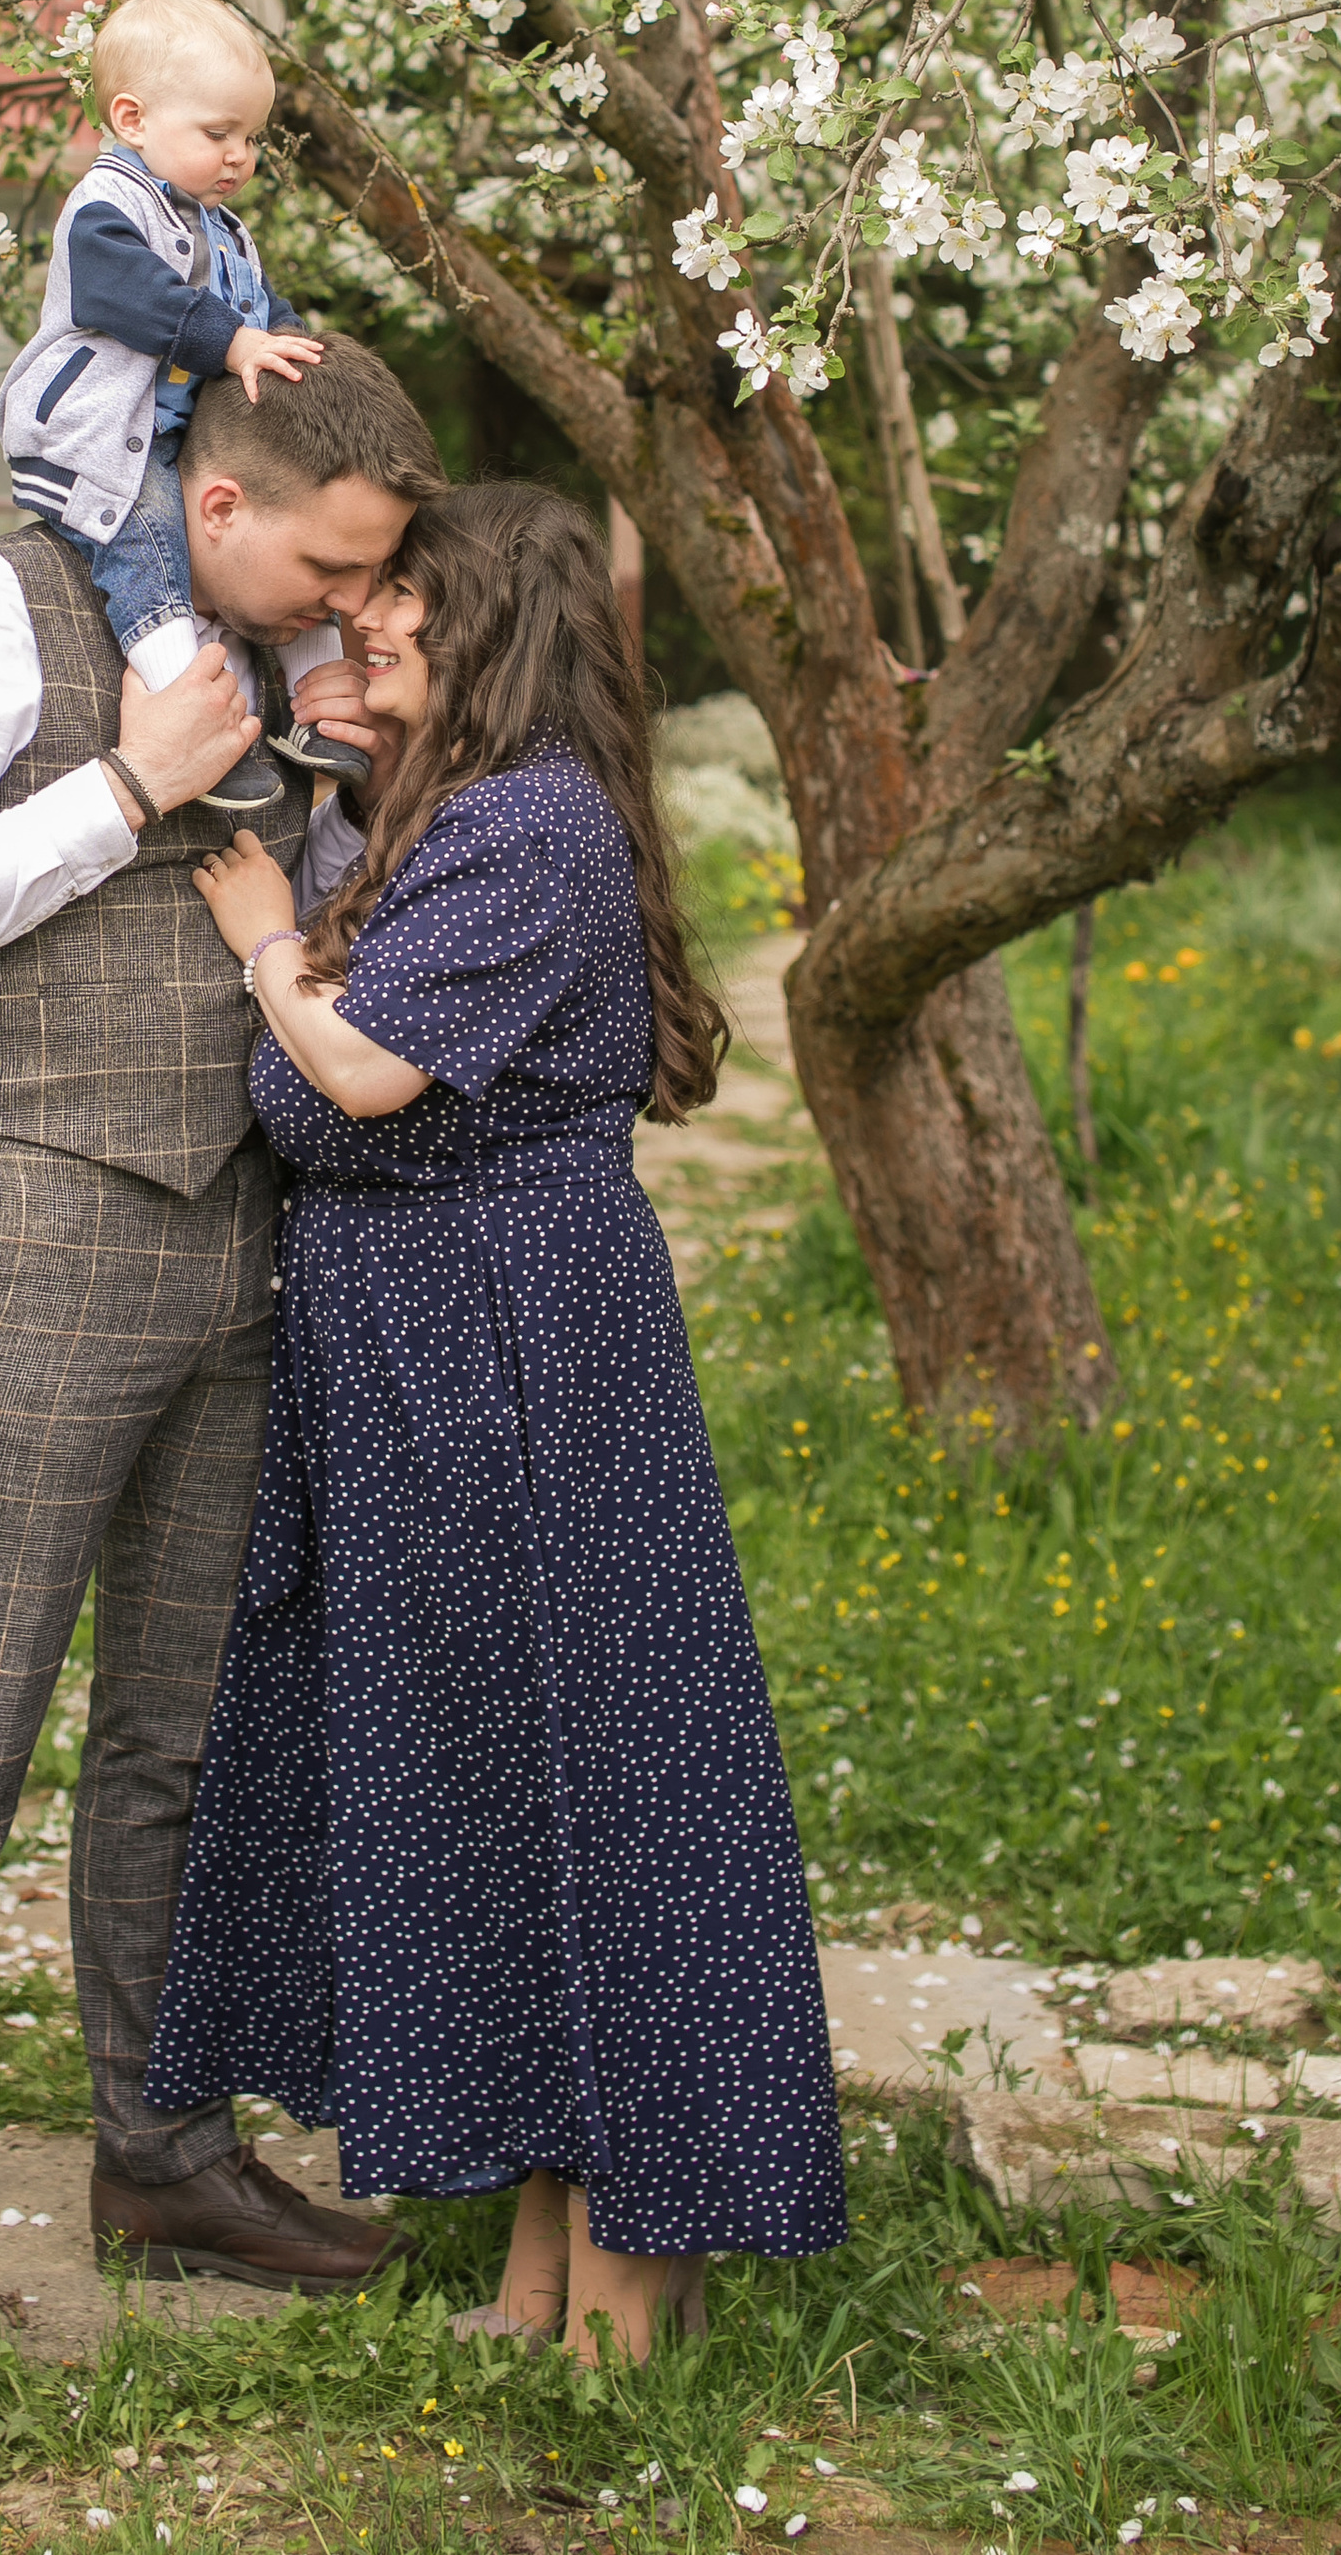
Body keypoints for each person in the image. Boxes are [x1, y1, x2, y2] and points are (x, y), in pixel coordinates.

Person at [0, 340, 444, 2499]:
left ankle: (158, 2158)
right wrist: (133, 785)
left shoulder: (287, 665)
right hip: (22, 1236)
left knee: (172, 1744)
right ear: (224, 504)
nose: (342, 608)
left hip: (237, 1251)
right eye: (328, 570)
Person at [148, 483, 847, 2364]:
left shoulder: (528, 821)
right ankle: (560, 2275)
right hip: (434, 1356)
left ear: (495, 640)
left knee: (600, 1792)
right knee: (521, 1799)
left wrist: (260, 933)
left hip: (516, 1354)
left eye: (400, 611)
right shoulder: (446, 816)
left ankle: (644, 2275)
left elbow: (362, 1072)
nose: (362, 628)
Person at [0, 0, 375, 812]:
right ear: (132, 120)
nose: (241, 156)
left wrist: (310, 366)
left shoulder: (222, 229)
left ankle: (320, 719)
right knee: (151, 549)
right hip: (99, 437)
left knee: (301, 545)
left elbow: (263, 316)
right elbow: (124, 297)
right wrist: (235, 343)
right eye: (219, 133)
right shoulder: (105, 209)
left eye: (251, 138)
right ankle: (191, 718)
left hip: (178, 436)